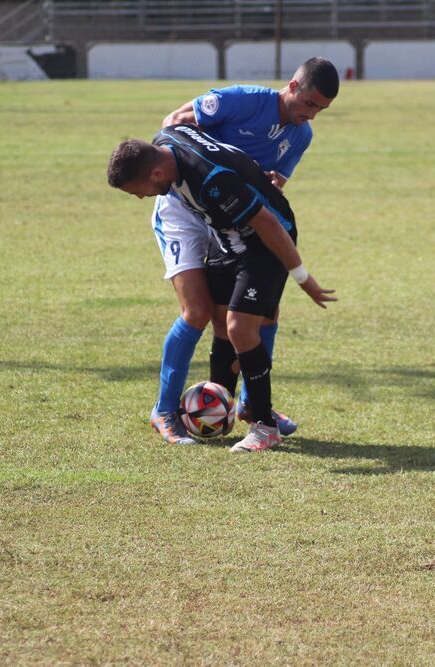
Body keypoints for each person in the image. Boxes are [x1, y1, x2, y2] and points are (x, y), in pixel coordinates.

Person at [147, 57, 340, 445]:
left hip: (230, 217)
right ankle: (165, 411)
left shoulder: (300, 136)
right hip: (183, 207)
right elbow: (172, 123)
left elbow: (272, 187)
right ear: (293, 86)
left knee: (260, 313)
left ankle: (251, 406)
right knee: (197, 311)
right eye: (310, 104)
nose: (312, 115)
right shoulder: (244, 100)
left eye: (321, 109)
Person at [107, 125, 336, 452]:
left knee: (241, 326)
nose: (142, 197)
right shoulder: (165, 139)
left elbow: (269, 224)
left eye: (138, 190)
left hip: (265, 243)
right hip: (225, 237)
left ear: (156, 172)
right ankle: (229, 404)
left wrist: (303, 278)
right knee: (219, 319)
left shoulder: (211, 181)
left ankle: (263, 426)